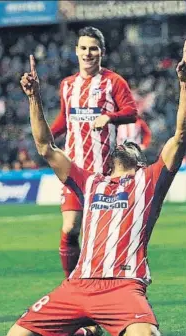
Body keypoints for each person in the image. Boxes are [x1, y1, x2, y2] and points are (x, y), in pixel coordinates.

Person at [4, 40, 186, 336]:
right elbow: (46, 147)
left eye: (134, 147)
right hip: (78, 285)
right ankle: (86, 331)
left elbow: (181, 136)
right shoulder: (90, 181)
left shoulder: (149, 181)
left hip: (122, 286)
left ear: (141, 163)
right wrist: (34, 97)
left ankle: (111, 322)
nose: (126, 144)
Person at [50, 26, 138, 278]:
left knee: (99, 235)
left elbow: (131, 112)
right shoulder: (67, 85)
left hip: (103, 173)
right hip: (73, 170)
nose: (88, 53)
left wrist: (110, 117)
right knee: (70, 228)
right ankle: (70, 283)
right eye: (84, 48)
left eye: (93, 48)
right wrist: (43, 135)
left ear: (101, 52)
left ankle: (103, 282)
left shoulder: (113, 82)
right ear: (76, 51)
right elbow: (64, 120)